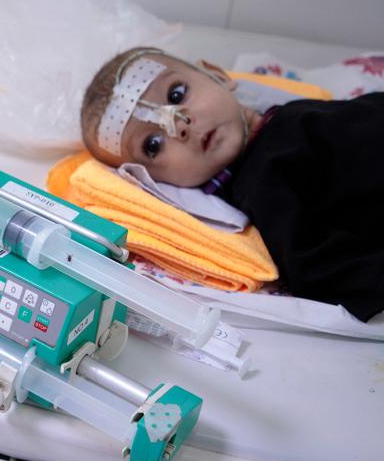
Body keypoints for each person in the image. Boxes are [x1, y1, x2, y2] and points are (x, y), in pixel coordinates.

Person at [79, 46, 384, 321]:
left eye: (176, 95)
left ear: (218, 75)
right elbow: (321, 270)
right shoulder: (263, 181)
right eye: (153, 144)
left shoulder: (284, 117)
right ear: (150, 183)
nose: (179, 123)